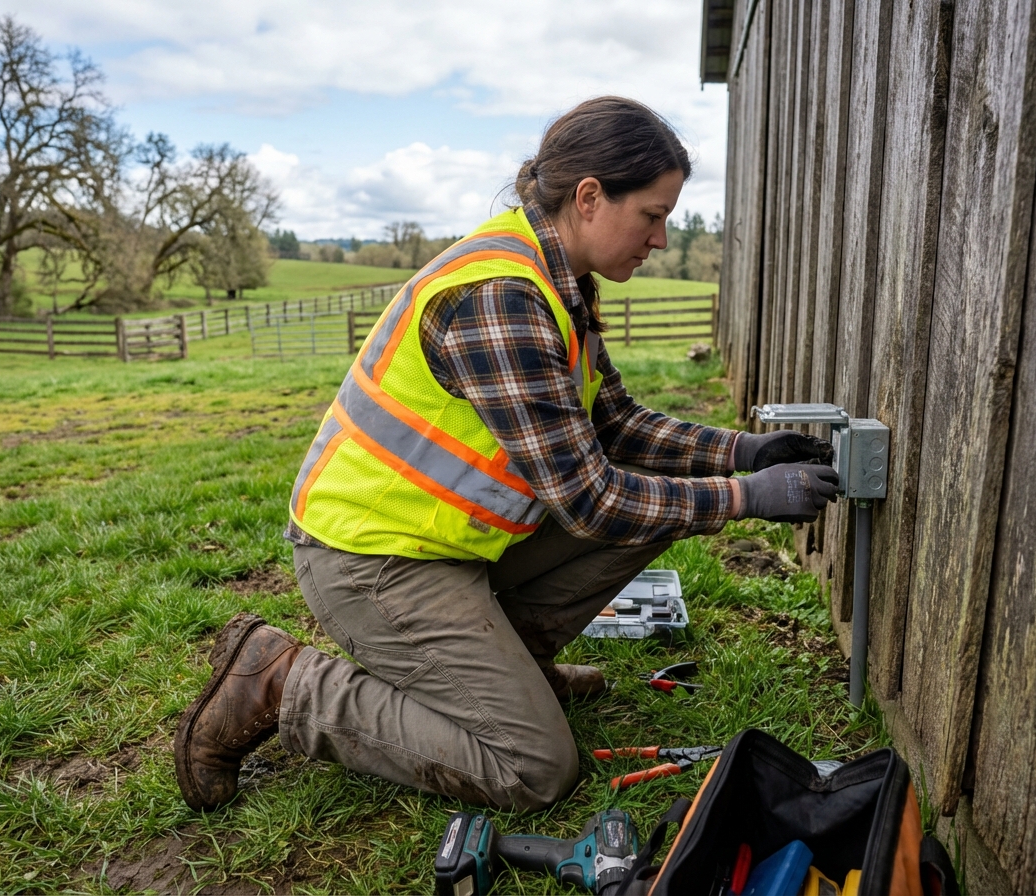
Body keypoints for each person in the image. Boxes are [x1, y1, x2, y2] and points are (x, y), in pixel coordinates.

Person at [173, 97, 838, 813]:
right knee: (533, 768)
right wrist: (747, 496)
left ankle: (509, 671)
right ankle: (282, 681)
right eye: (652, 215)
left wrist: (742, 450)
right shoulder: (503, 297)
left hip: (442, 549)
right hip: (371, 564)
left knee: (666, 497)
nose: (662, 240)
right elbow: (592, 501)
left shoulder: (558, 278)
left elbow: (613, 423)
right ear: (590, 197)